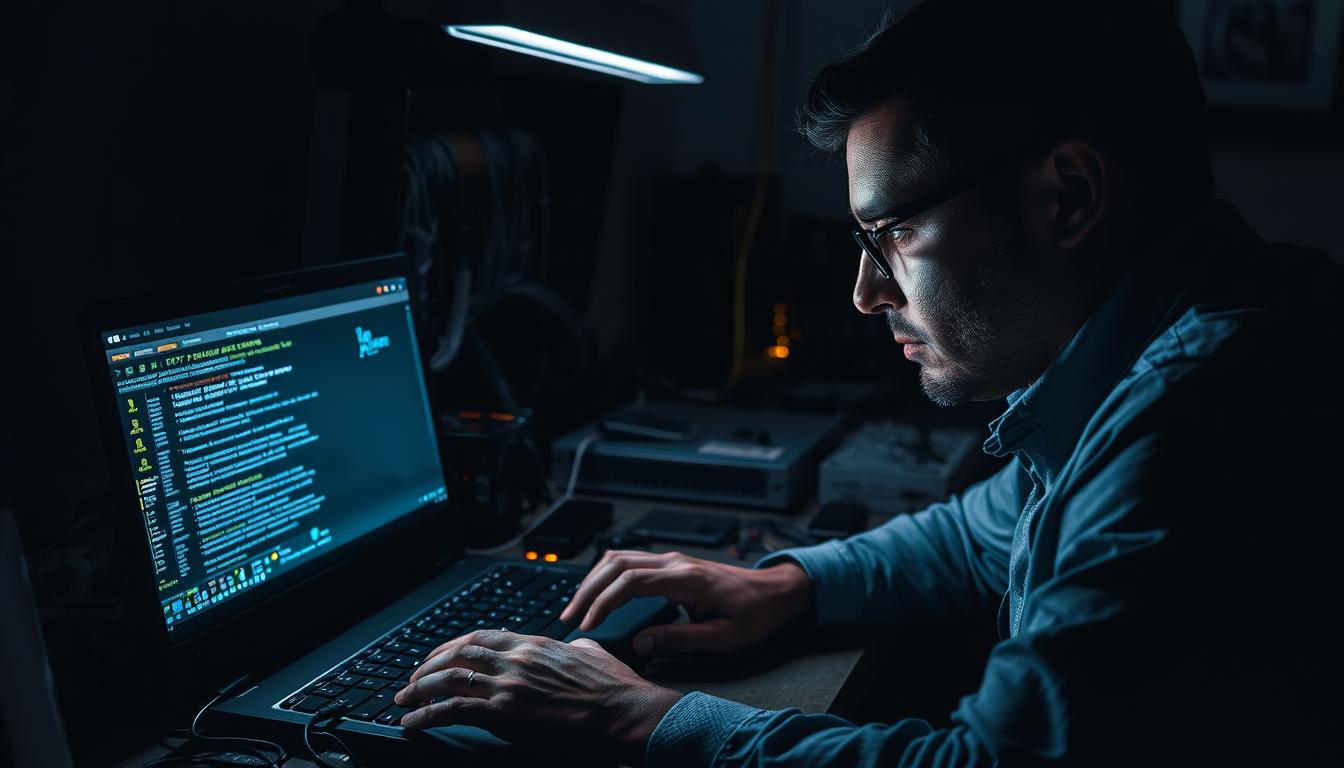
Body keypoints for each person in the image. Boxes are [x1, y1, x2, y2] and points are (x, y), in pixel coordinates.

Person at [392, 0, 1344, 764]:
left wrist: (636, 717)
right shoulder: (1170, 345)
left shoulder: (1199, 417)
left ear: (1069, 196)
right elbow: (984, 531)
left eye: (890, 233)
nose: (865, 291)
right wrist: (792, 583)